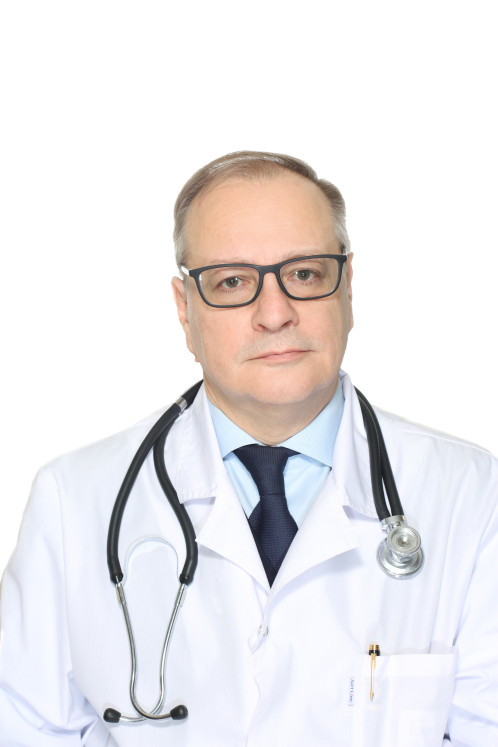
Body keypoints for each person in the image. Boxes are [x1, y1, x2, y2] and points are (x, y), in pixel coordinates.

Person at [0, 151, 497, 746]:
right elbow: (25, 729)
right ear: (185, 310)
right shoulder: (74, 500)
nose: (275, 313)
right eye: (232, 282)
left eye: (305, 274)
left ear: (347, 289)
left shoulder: (471, 495)